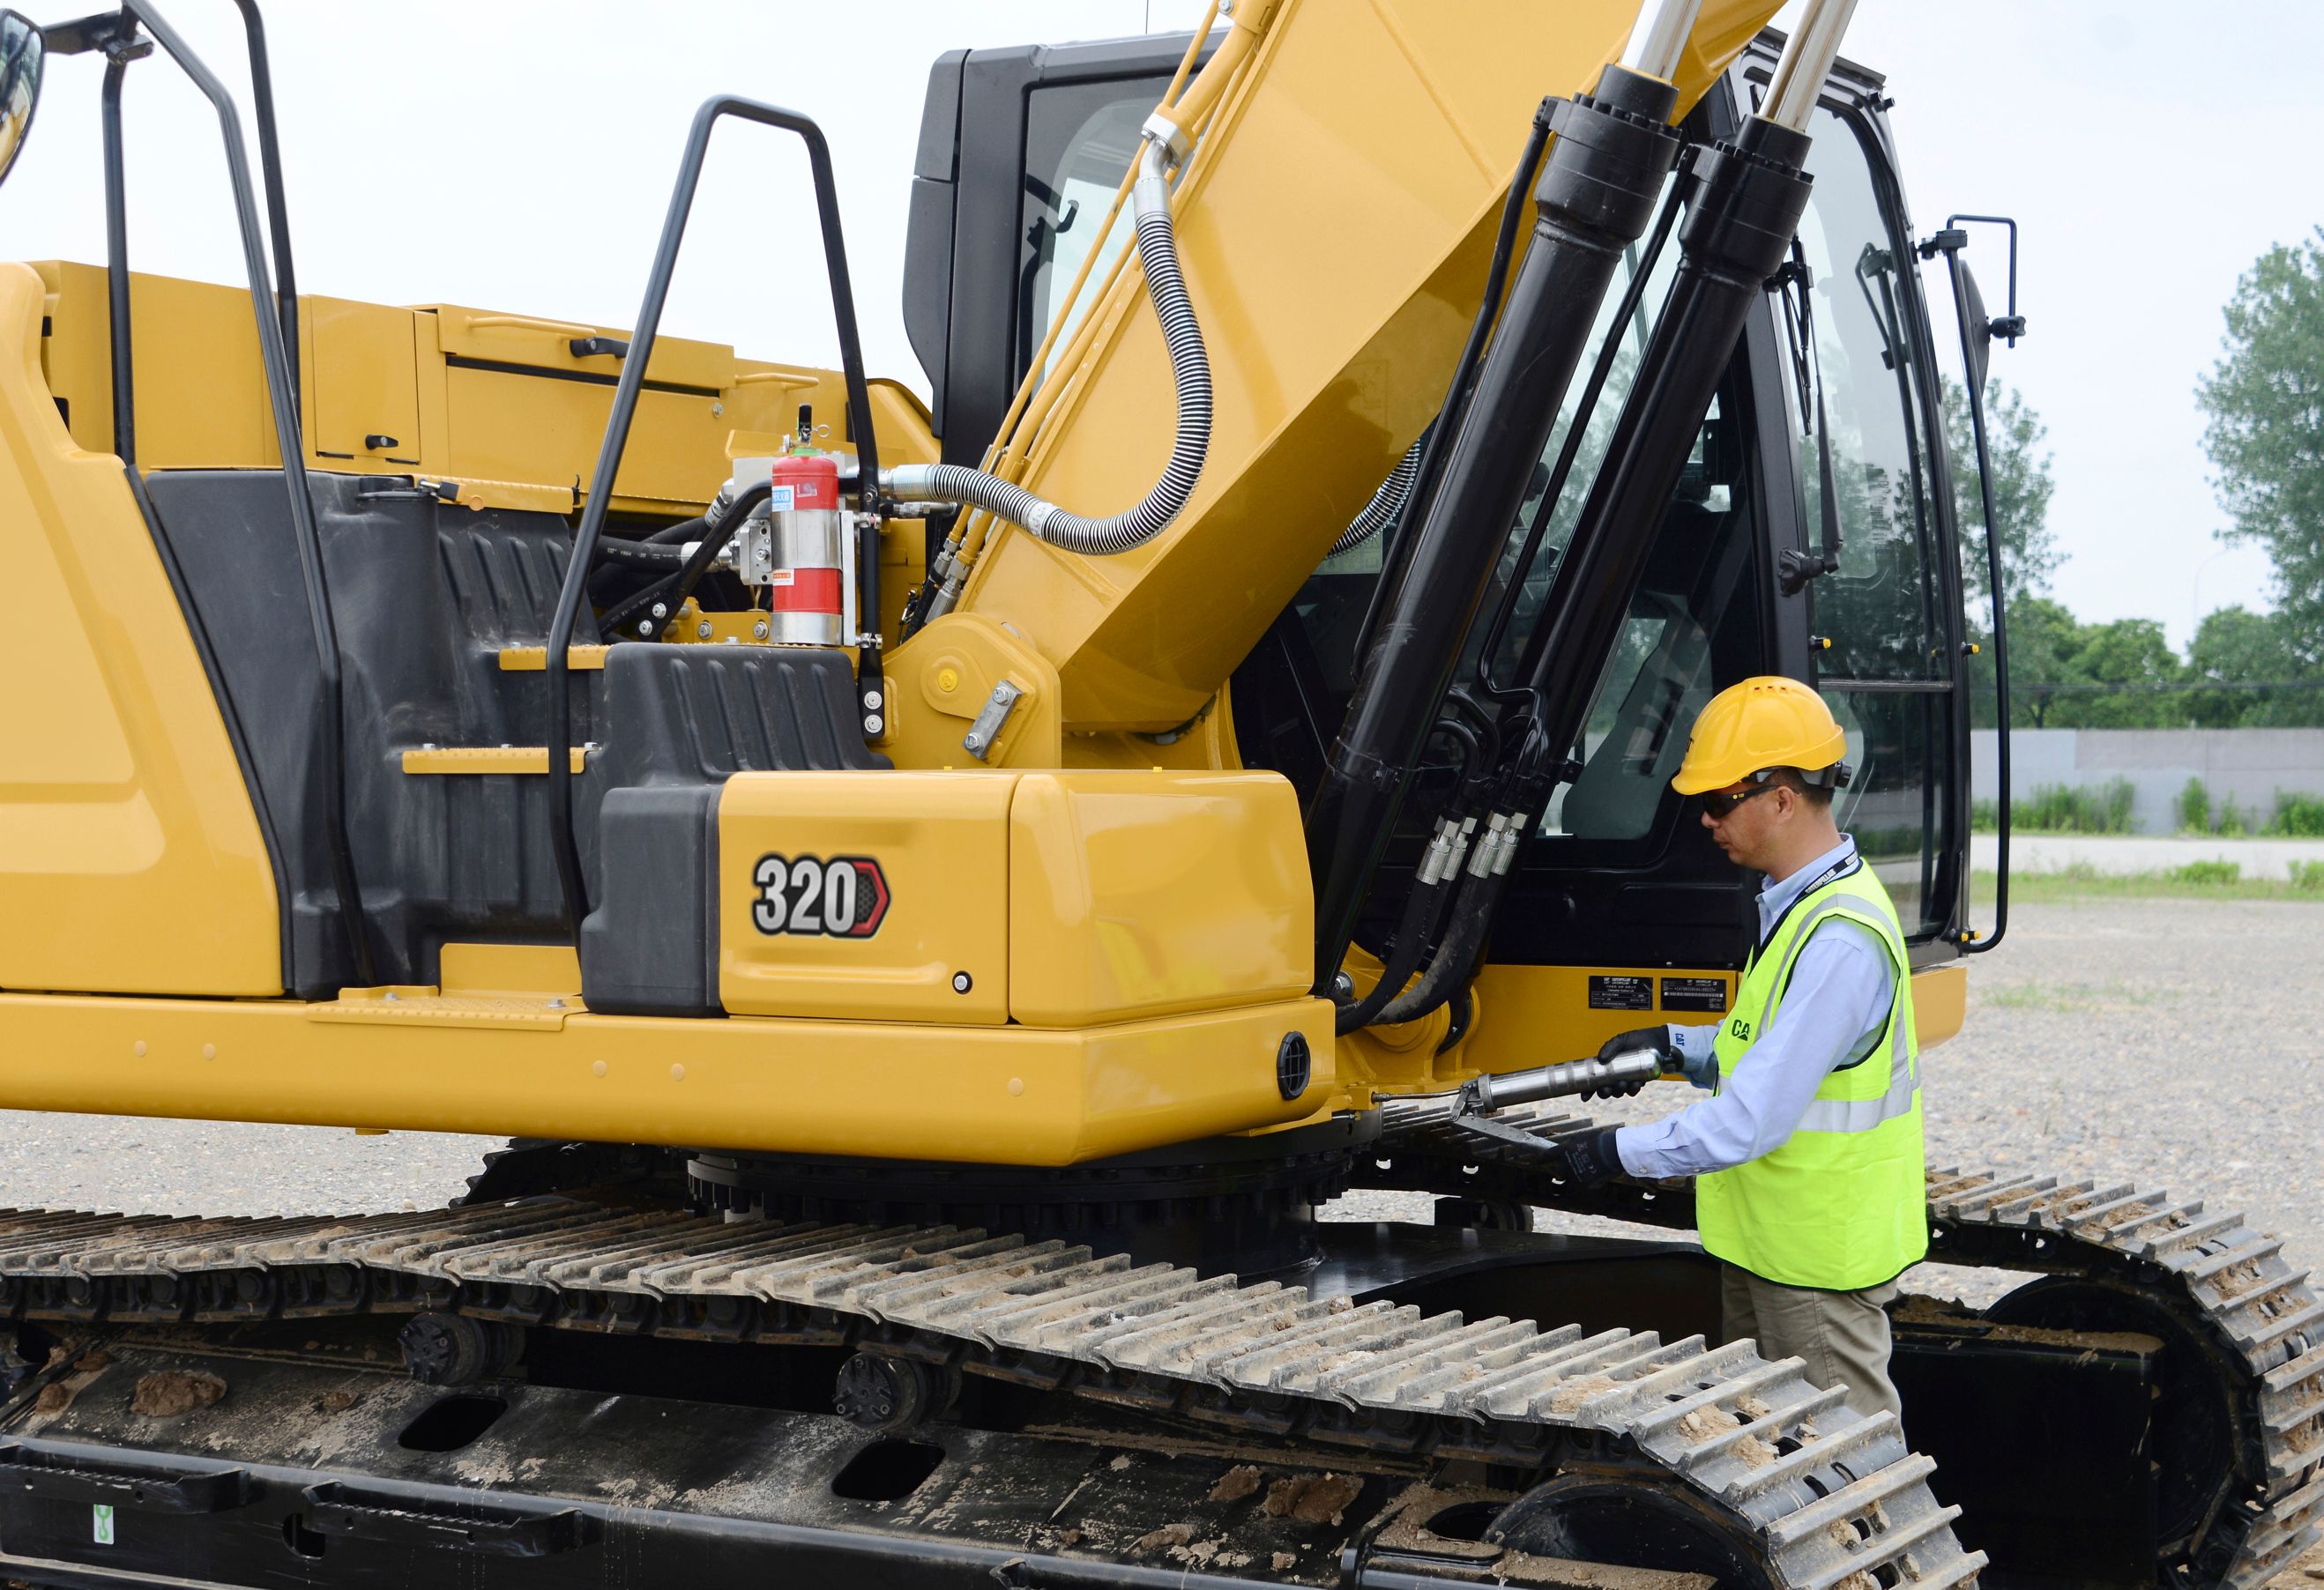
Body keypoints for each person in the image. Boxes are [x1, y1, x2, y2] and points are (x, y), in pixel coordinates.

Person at [1551, 675, 1926, 1423]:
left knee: (1844, 1462)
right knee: (1768, 1448)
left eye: (1720, 800)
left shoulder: (1839, 938)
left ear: (1782, 799)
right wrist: (1676, 1047)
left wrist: (1615, 1152)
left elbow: (1752, 1119)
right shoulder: (1800, 905)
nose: (1704, 818)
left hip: (1813, 1264)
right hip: (1772, 1245)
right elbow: (1769, 1047)